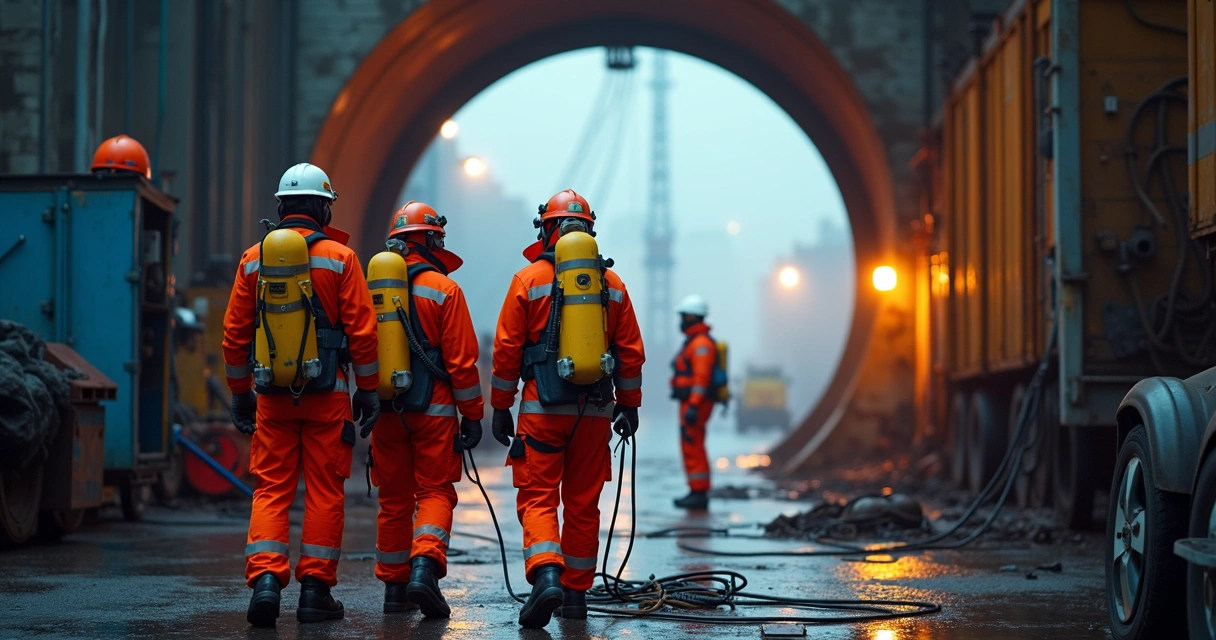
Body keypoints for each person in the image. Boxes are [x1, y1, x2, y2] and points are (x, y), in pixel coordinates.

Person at [222, 163, 381, 627]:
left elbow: (234, 335)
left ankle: (266, 583)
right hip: (328, 394)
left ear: (280, 207)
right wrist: (367, 392)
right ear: (324, 209)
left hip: (271, 397)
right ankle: (315, 592)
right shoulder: (340, 258)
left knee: (271, 489)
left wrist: (239, 393)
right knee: (325, 492)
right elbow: (364, 334)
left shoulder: (253, 260)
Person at [490, 189, 645, 629]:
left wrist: (500, 406)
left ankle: (546, 575)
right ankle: (575, 597)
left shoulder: (528, 281)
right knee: (582, 504)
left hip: (542, 410)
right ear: (590, 232)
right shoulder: (612, 285)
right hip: (595, 414)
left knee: (538, 497)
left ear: (546, 231)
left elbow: (506, 350)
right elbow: (630, 352)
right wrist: (629, 407)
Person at [369, 202, 484, 618]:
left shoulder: (373, 286)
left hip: (384, 407)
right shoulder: (444, 290)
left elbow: (358, 348)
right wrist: (473, 414)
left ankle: (394, 592)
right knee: (434, 491)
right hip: (434, 411)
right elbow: (462, 363)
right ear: (431, 239)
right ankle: (424, 568)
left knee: (394, 499)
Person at [670, 294, 717, 510]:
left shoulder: (700, 344)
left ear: (691, 317)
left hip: (695, 403)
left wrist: (694, 405)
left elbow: (701, 378)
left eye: (683, 316)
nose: (681, 320)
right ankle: (696, 490)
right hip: (691, 402)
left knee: (693, 444)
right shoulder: (695, 342)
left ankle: (699, 492)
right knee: (692, 444)